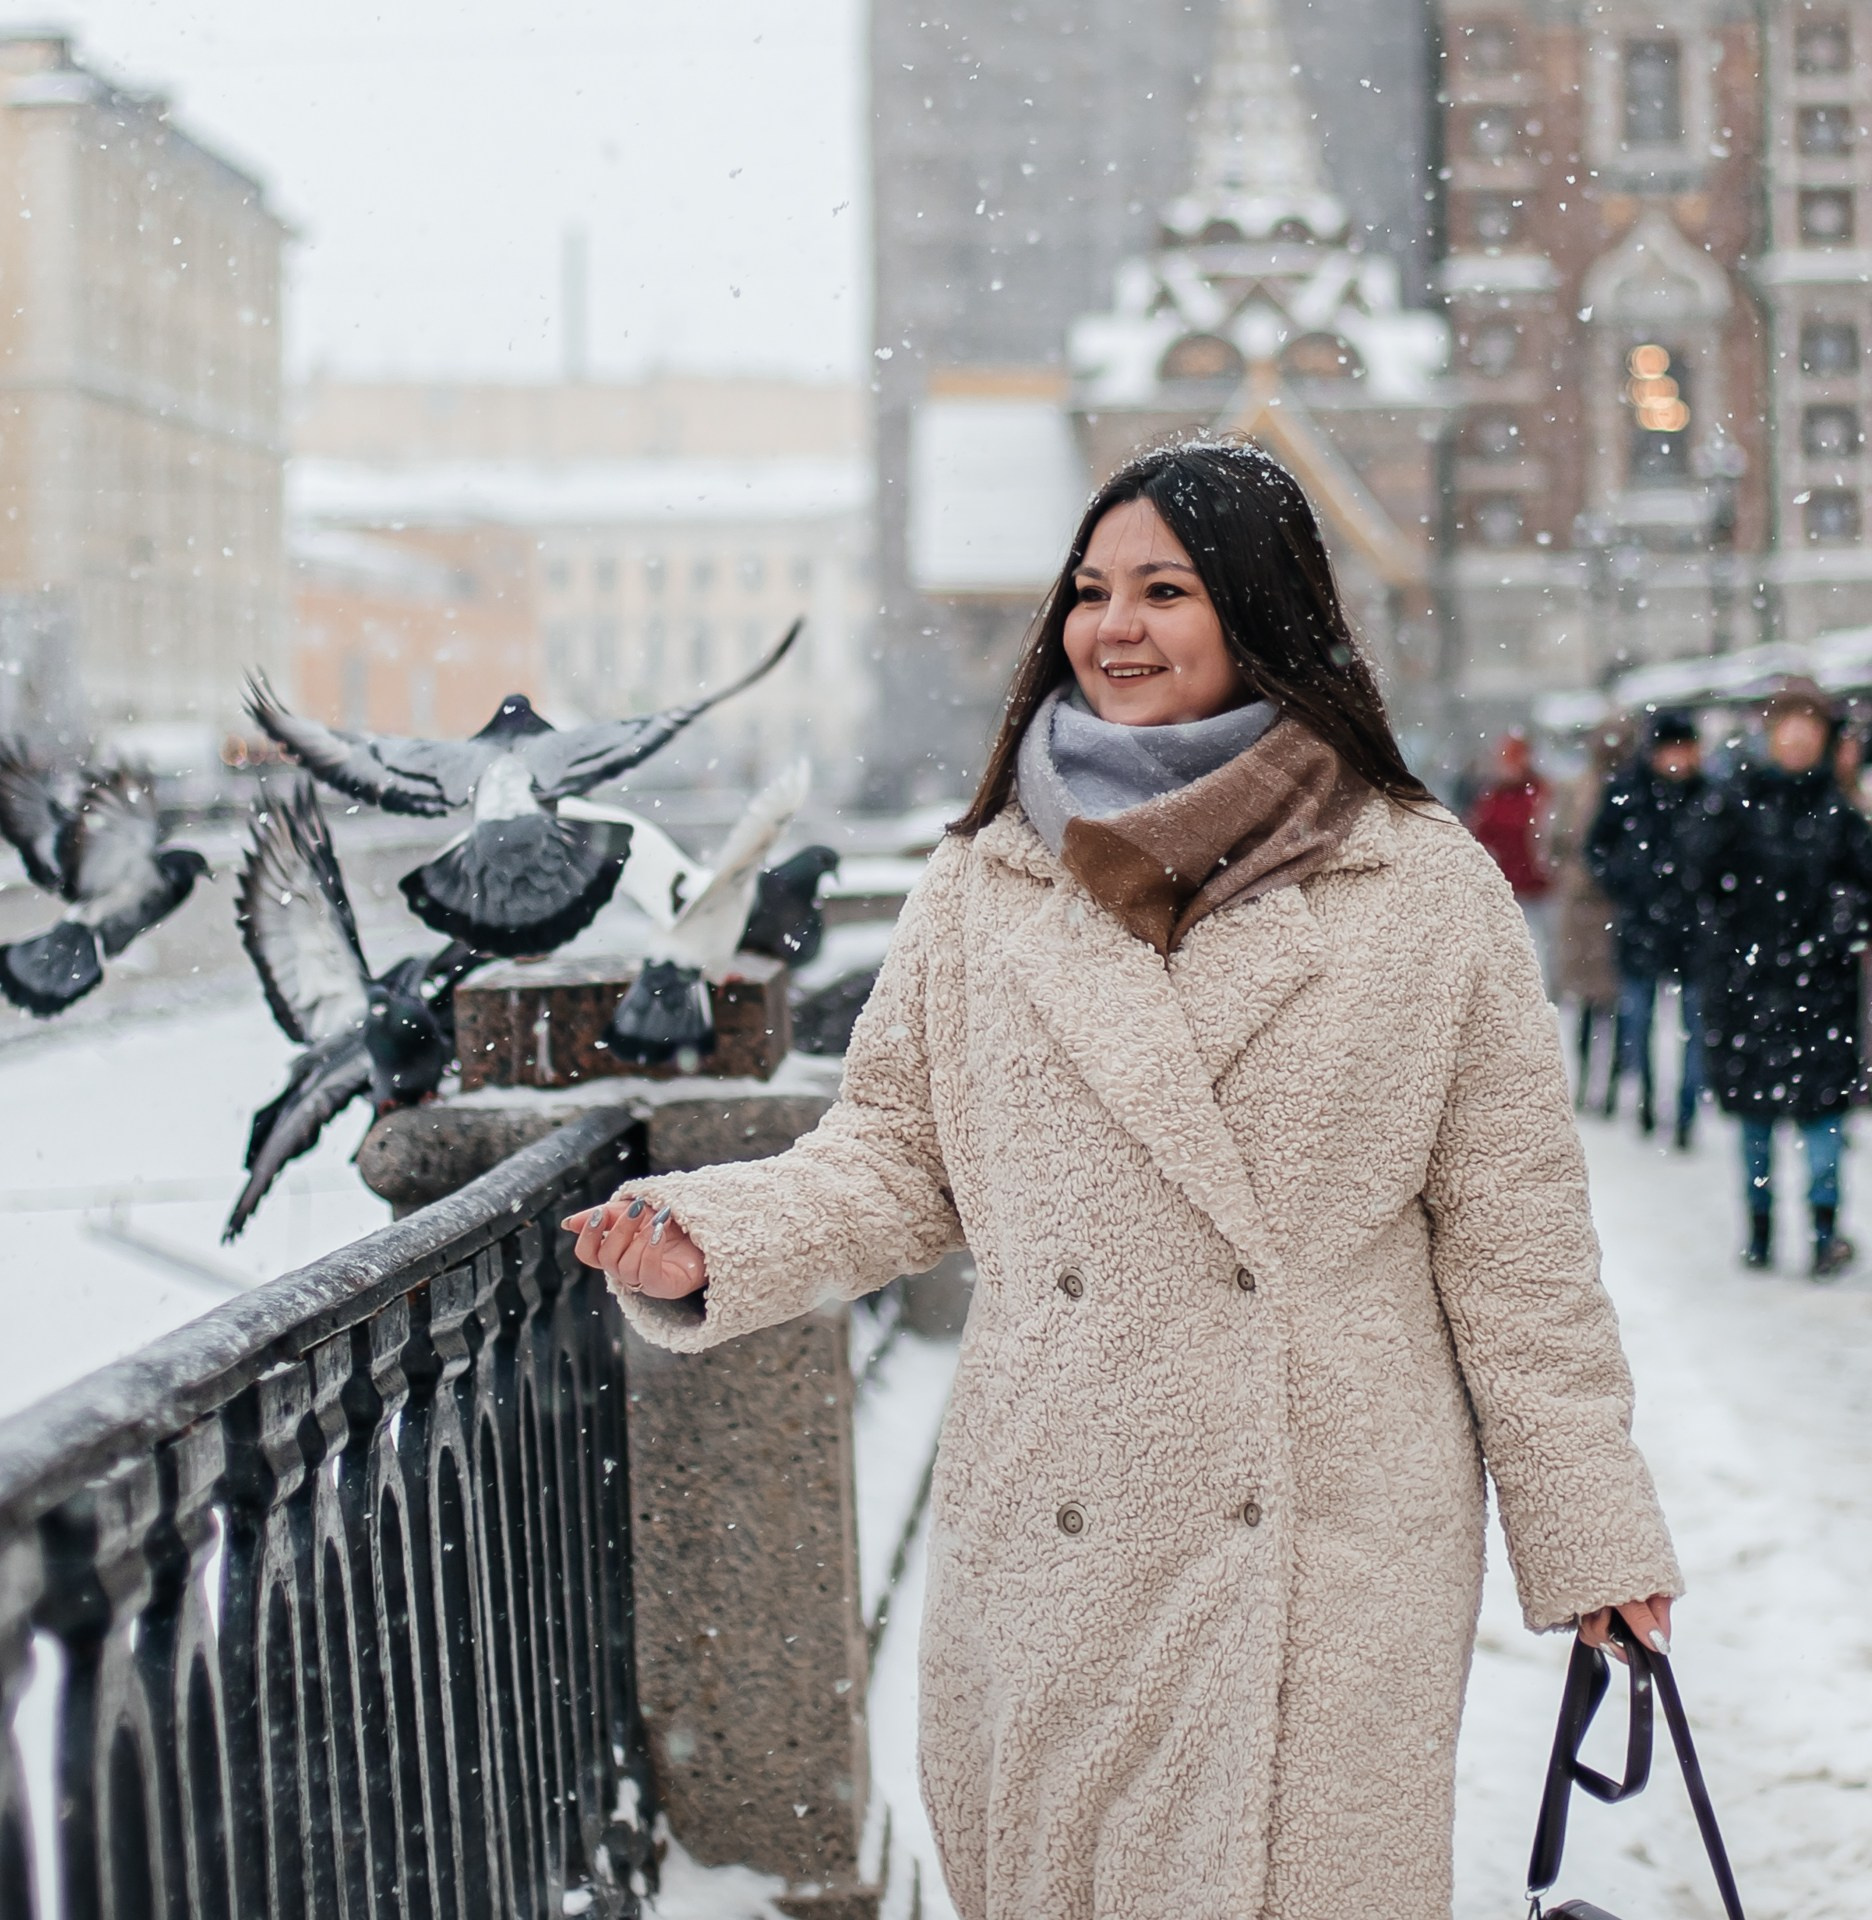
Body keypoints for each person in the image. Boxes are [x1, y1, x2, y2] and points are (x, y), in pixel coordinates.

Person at [565, 442, 1679, 1919]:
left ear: (1263, 612)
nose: (1116, 627)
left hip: (1330, 1539)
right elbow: (896, 1151)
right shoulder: (987, 883)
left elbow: (1517, 1251)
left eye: (1166, 588)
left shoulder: (1420, 888)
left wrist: (1591, 1534)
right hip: (1057, 1531)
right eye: (1091, 591)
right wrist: (710, 1238)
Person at [1687, 677, 1872, 1275]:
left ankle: (1824, 1234)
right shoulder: (1737, 802)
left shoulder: (1841, 813)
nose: (1796, 740)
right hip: (1750, 990)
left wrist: (1844, 921)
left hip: (1823, 990)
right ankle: (1760, 1231)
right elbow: (1698, 877)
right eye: (1786, 727)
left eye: (1808, 728)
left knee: (1822, 1125)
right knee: (1757, 1127)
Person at [1585, 710, 1709, 1144]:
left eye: (1684, 749)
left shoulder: (1708, 796)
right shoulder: (1628, 793)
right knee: (1639, 1024)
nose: (1677, 760)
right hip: (1642, 926)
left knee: (1694, 1029)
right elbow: (1596, 848)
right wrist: (1627, 881)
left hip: (1695, 932)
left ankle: (1685, 1112)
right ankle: (1647, 1102)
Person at [1549, 722, 1628, 1109]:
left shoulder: (1628, 790)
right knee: (1589, 1005)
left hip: (1613, 907)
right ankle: (1589, 1080)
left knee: (1610, 1006)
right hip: (1584, 908)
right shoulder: (1576, 788)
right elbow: (1553, 842)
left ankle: (1610, 1081)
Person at [1466, 727, 1556, 981]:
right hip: (1508, 888)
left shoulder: (1542, 792)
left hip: (1543, 887)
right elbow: (1480, 838)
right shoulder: (1492, 798)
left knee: (1547, 953)